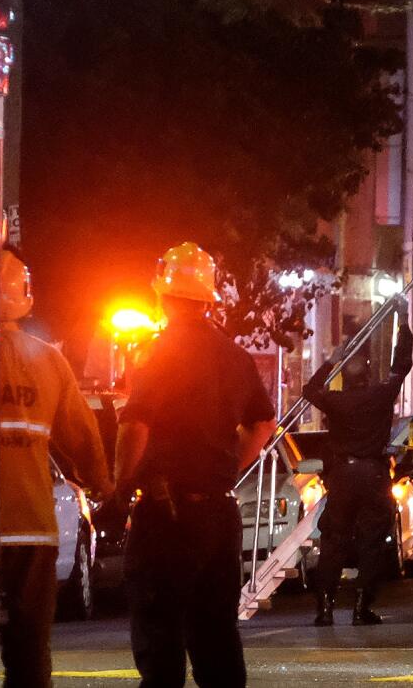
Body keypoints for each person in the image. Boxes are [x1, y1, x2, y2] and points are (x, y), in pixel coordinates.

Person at [113, 244, 277, 688]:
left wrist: (120, 488)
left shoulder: (157, 352)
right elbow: (263, 424)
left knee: (160, 639)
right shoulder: (235, 357)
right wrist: (227, 472)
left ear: (164, 297)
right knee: (217, 639)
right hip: (218, 519)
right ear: (207, 300)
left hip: (166, 517)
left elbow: (136, 426)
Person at [0, 249, 113, 688]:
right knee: (28, 654)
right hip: (32, 530)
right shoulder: (48, 362)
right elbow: (82, 436)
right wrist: (103, 484)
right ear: (25, 297)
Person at [305, 320, 413, 626]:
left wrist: (330, 361)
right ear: (368, 374)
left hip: (343, 475)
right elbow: (401, 366)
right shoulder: (380, 394)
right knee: (371, 542)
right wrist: (403, 325)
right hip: (373, 474)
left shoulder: (335, 401)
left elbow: (309, 389)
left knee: (334, 539)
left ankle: (325, 609)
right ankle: (361, 606)